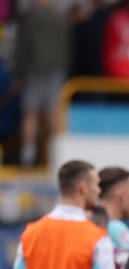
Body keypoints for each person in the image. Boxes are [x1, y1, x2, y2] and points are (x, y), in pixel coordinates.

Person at [14, 0, 70, 167]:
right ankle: (57, 157)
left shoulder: (29, 17)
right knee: (52, 113)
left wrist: (19, 73)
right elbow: (68, 46)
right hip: (56, 68)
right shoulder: (59, 16)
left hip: (34, 68)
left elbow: (22, 47)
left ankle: (27, 157)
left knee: (30, 113)